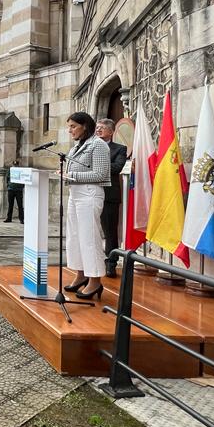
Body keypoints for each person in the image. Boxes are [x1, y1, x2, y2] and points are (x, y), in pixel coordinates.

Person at [60, 112, 111, 301]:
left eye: (73, 126)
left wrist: (72, 176)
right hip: (75, 194)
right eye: (69, 126)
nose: (70, 130)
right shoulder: (76, 146)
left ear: (85, 126)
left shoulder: (98, 145)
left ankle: (95, 280)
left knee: (89, 238)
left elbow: (100, 174)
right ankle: (81, 274)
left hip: (90, 193)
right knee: (74, 237)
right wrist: (65, 174)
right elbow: (73, 170)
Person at [95, 119, 129, 278]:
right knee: (92, 229)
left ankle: (111, 264)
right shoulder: (90, 147)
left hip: (109, 196)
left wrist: (98, 165)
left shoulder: (120, 149)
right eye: (97, 127)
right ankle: (94, 261)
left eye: (102, 128)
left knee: (110, 231)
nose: (98, 130)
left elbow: (117, 168)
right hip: (91, 193)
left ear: (111, 131)